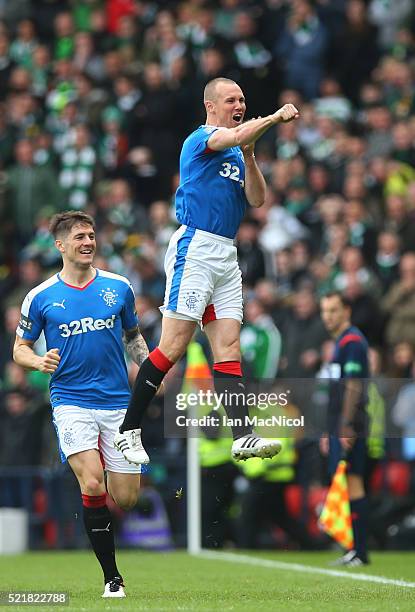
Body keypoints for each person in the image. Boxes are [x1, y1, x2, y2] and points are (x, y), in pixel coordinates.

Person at [114, 77, 299, 464]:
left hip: (225, 254)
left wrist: (250, 157)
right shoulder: (200, 139)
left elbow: (258, 199)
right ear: (211, 105)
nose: (240, 104)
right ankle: (128, 430)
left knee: (228, 346)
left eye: (243, 99)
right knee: (175, 345)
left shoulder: (237, 153)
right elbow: (231, 137)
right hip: (195, 248)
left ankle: (242, 435)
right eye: (232, 99)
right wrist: (275, 118)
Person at [13, 211, 150, 598]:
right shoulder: (40, 297)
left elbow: (133, 337)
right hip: (71, 401)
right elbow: (19, 349)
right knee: (91, 481)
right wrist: (38, 362)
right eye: (79, 237)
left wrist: (153, 366)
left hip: (118, 404)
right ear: (60, 245)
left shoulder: (118, 287)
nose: (88, 242)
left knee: (125, 497)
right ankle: (112, 579)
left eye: (91, 235)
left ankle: (106, 516)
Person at [320, 292, 370, 566]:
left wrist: (347, 425)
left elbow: (353, 385)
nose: (328, 316)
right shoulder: (341, 342)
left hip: (352, 423)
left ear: (346, 311)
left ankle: (359, 551)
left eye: (334, 310)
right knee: (348, 483)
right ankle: (354, 549)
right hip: (340, 423)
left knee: (354, 482)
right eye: (325, 311)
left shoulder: (351, 341)